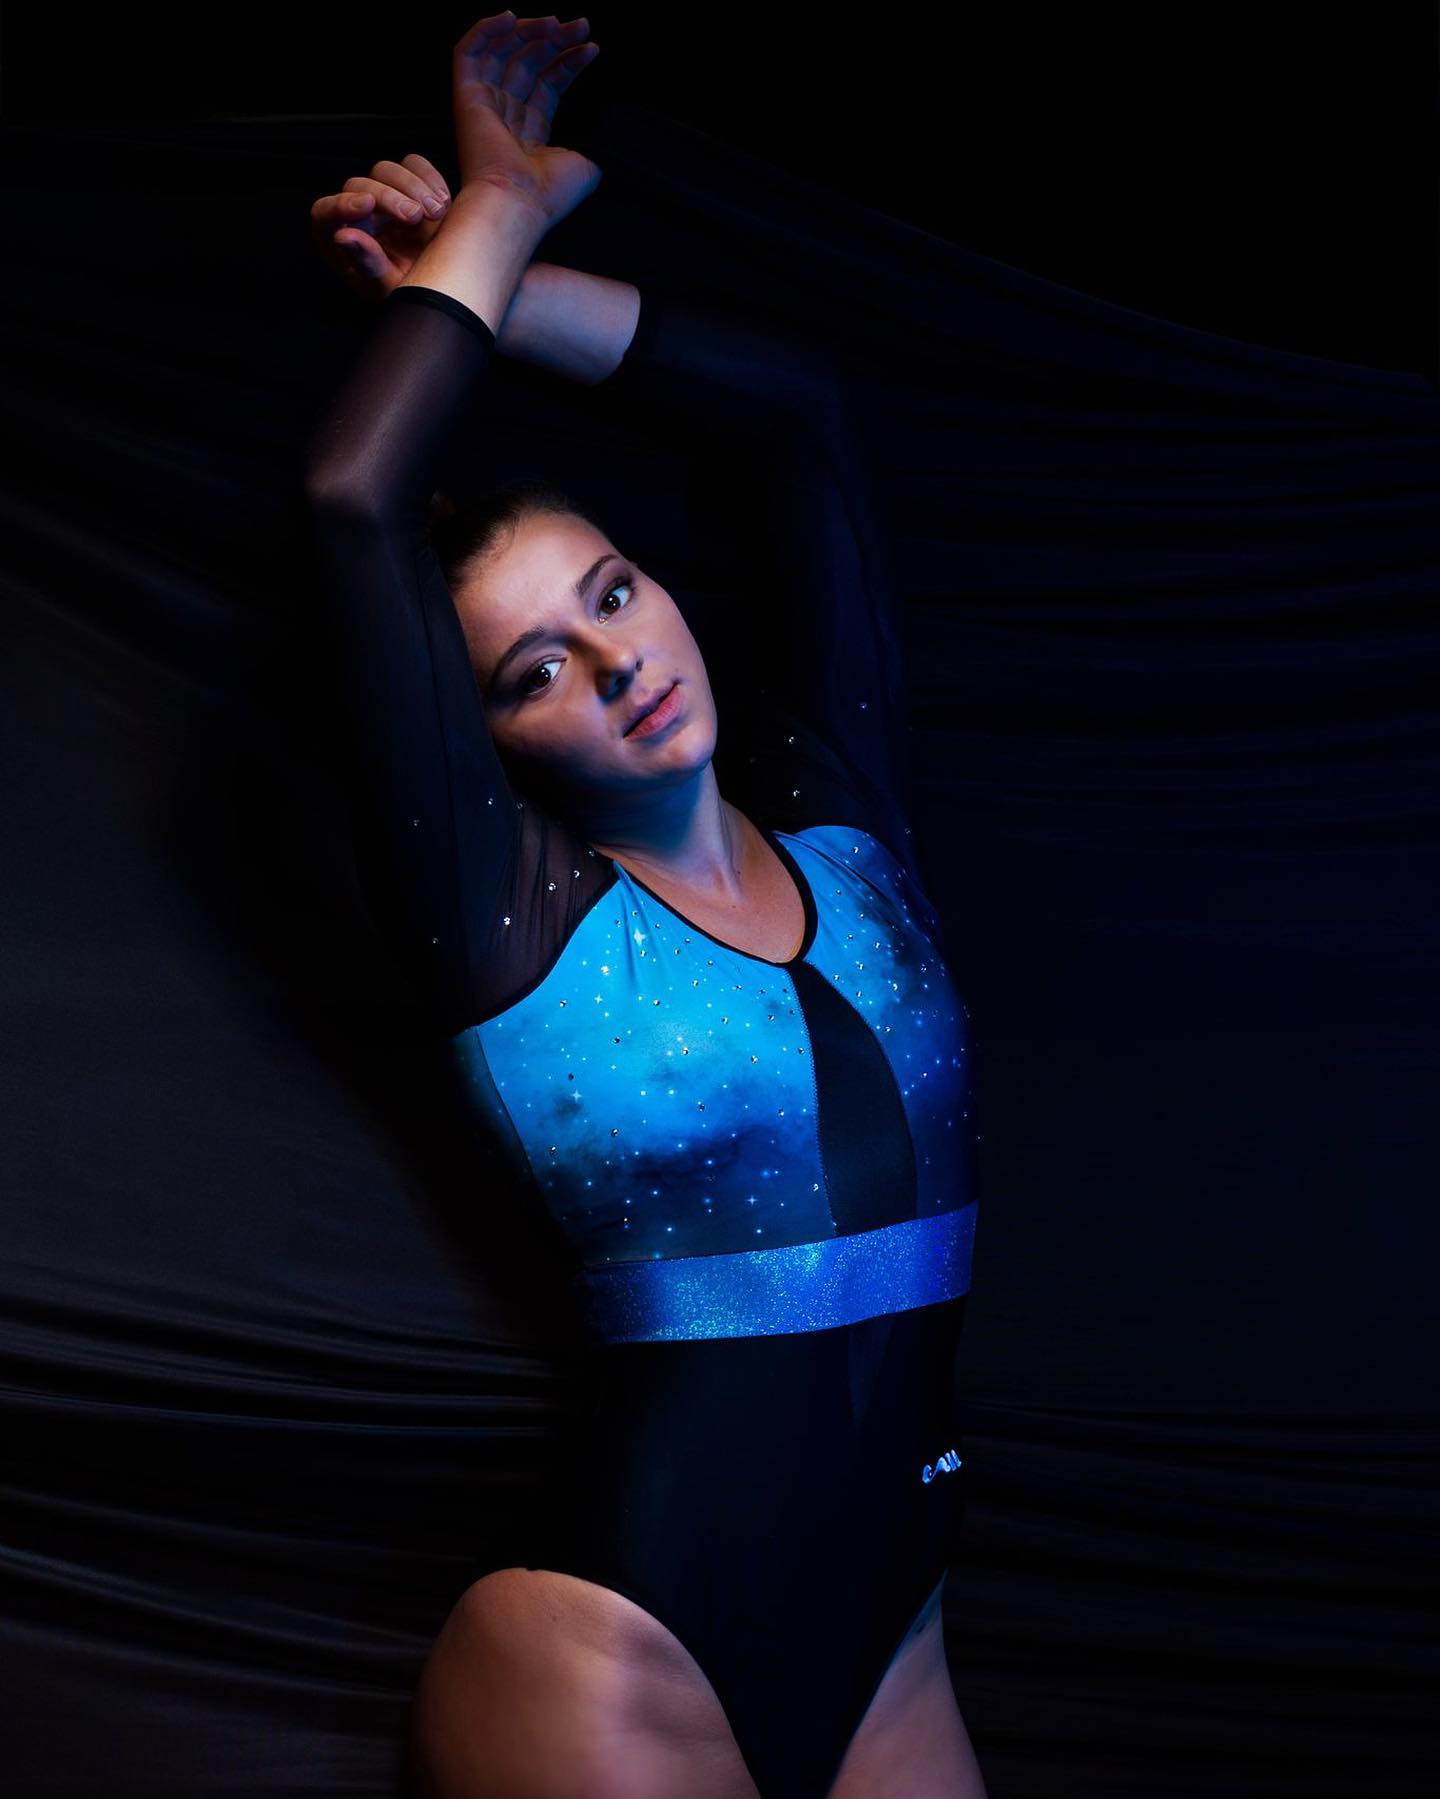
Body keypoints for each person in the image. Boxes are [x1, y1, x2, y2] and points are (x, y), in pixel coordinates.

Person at [303, 13, 986, 1798]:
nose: (618, 664)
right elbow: (354, 496)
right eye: (537, 669)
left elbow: (799, 412)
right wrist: (495, 210)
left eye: (613, 593)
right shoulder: (511, 923)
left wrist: (495, 281)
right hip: (617, 1651)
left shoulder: (847, 819)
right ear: (491, 743)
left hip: (894, 1636)